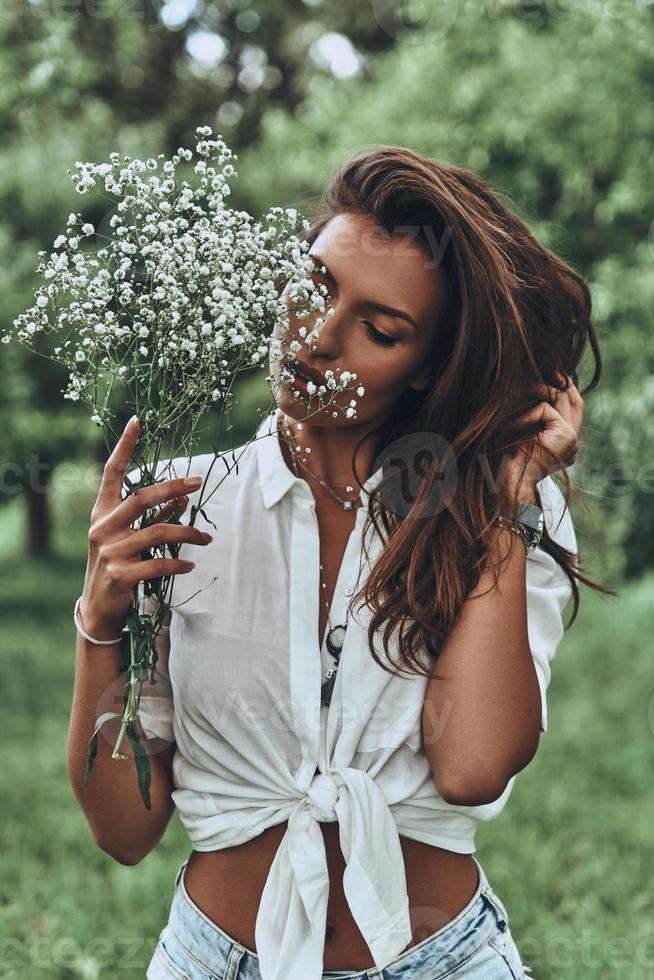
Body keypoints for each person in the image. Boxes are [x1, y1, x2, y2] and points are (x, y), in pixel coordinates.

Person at [68, 145, 610, 980]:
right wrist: (100, 623)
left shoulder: (495, 511)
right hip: (212, 960)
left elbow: (470, 767)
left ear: (427, 365)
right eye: (315, 288)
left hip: (441, 961)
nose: (318, 338)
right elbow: (123, 831)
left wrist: (504, 515)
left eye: (379, 329)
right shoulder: (171, 510)